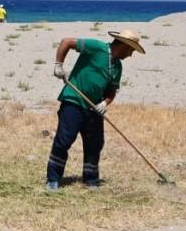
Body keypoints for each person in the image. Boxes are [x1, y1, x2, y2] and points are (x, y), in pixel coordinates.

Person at [46, 30, 144, 191]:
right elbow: (67, 41)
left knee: (95, 143)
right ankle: (53, 179)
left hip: (94, 108)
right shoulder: (97, 47)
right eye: (131, 50)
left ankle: (91, 179)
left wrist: (105, 103)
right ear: (124, 46)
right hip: (73, 101)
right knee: (64, 140)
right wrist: (58, 65)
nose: (131, 55)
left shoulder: (118, 67)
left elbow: (111, 91)